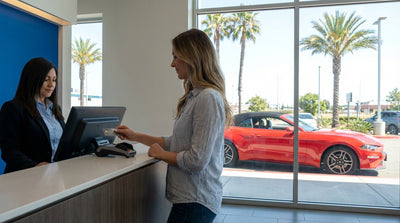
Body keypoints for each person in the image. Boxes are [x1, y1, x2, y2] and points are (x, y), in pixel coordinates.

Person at [115, 29, 232, 223]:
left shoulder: (207, 98)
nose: (172, 64)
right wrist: (135, 136)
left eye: (176, 57)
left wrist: (160, 154)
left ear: (192, 57)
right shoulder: (195, 97)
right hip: (189, 201)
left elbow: (197, 160)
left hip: (195, 202)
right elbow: (176, 142)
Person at [0, 57, 65, 173]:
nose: (51, 84)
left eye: (54, 80)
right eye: (46, 79)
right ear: (33, 79)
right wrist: (35, 167)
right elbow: (9, 151)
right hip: (25, 179)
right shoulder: (13, 108)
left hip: (54, 175)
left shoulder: (55, 109)